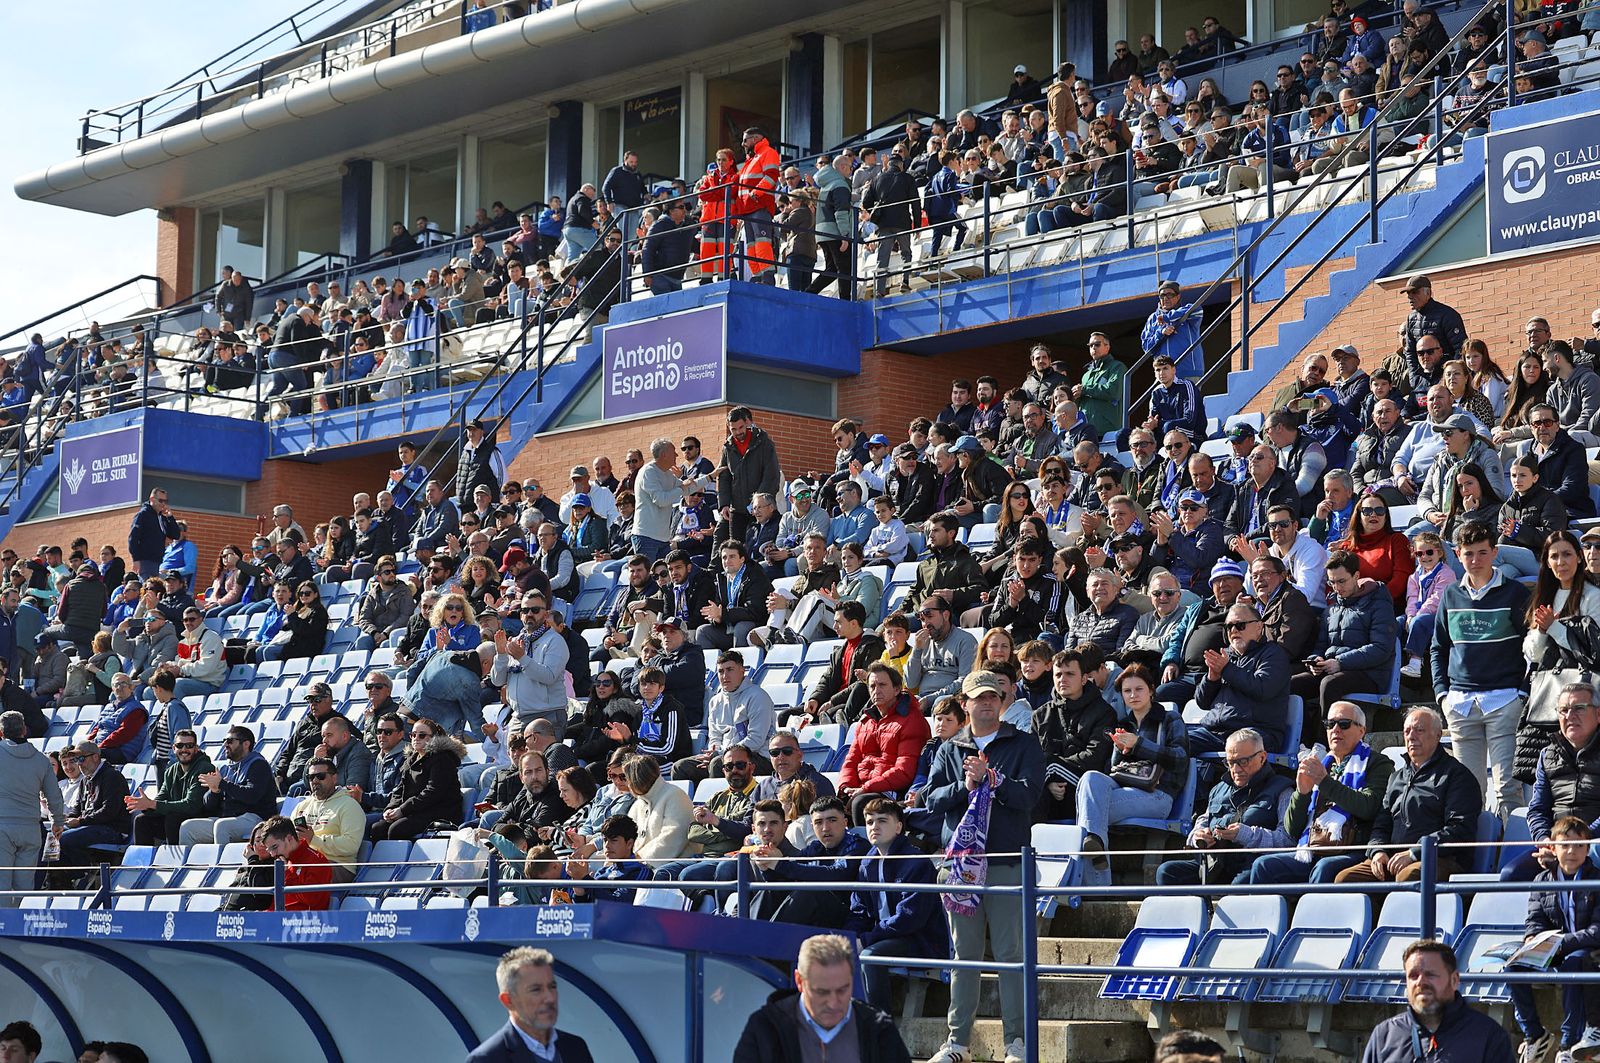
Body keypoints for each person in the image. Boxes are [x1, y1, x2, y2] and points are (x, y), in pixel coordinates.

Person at [922, 672, 1044, 1063]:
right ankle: (957, 1043)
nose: (987, 702)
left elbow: (1029, 797)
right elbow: (933, 799)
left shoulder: (1024, 743)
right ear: (965, 702)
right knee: (964, 955)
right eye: (979, 697)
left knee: (1011, 954)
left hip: (1006, 862)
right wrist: (967, 787)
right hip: (959, 865)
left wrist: (994, 781)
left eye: (994, 695)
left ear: (1004, 698)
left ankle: (1017, 1043)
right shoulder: (948, 748)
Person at [1432, 523, 1531, 818]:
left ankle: (1509, 856)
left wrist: (1522, 693)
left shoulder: (1515, 593)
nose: (1475, 560)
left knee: (1507, 789)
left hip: (1504, 701)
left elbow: (1534, 647)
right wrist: (1441, 695)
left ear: (1495, 553)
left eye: (1482, 553)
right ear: (1458, 555)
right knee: (1469, 790)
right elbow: (1438, 647)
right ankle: (1475, 858)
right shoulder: (1450, 595)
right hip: (1460, 705)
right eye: (1469, 554)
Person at [1248, 701, 1392, 885]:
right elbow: (1292, 829)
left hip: (1351, 847)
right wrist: (1302, 793)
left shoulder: (1378, 763)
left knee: (1324, 868)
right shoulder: (1323, 763)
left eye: (1344, 724)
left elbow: (1369, 807)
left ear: (1362, 731)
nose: (1336, 729)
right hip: (1312, 847)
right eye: (1330, 724)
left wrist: (1324, 781)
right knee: (1263, 866)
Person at [1335, 707, 1482, 884]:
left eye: (1419, 730)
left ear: (1438, 735)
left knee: (1407, 877)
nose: (1411, 736)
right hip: (1393, 859)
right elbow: (1382, 823)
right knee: (1345, 879)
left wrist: (1415, 852)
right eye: (1407, 731)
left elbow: (1460, 829)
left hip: (1441, 858)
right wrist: (1378, 851)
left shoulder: (1457, 776)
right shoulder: (1396, 778)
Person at [733, 932, 913, 1063]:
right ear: (799, 981)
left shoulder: (879, 1030)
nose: (834, 1003)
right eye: (822, 992)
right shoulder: (764, 1029)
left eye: (843, 990)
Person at [1508, 815, 1600, 1061]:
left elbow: (1597, 931)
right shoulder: (1542, 880)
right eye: (1565, 845)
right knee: (1512, 967)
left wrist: (1563, 943)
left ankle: (1568, 1044)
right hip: (1553, 948)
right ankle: (1534, 1035)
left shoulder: (1596, 878)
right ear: (1553, 848)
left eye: (1579, 845)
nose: (1572, 851)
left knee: (1574, 963)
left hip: (1585, 949)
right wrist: (1531, 938)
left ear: (1588, 848)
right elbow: (1535, 919)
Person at [1155, 728, 1292, 885]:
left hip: (1252, 863)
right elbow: (1204, 820)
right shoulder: (1218, 789)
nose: (1236, 770)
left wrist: (1246, 834)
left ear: (1262, 757)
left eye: (1243, 762)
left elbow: (1287, 840)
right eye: (1231, 763)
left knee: (1241, 884)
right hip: (1215, 864)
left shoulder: (1283, 790)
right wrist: (1197, 836)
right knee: (1167, 872)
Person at [1359, 940, 1513, 1063]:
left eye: (1430, 974)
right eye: (1413, 975)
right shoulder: (1385, 1035)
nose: (1421, 982)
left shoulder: (1488, 1036)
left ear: (1454, 980)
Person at [1188, 603, 1291, 756]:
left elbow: (1263, 688)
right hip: (1215, 732)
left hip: (1256, 733)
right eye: (1229, 627)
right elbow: (1202, 702)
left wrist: (1227, 669)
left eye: (1240, 625)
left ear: (1259, 627)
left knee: (1241, 743)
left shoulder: (1273, 654)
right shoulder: (1225, 656)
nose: (1233, 630)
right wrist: (1212, 679)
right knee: (1173, 740)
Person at [465, 946, 596, 1063]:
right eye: (536, 990)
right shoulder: (487, 1059)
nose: (550, 998)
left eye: (552, 986)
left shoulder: (575, 1047)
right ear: (508, 1000)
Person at [838, 663, 929, 822]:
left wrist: (865, 789)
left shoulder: (912, 720)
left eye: (882, 685)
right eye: (872, 686)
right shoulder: (865, 721)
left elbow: (904, 772)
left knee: (861, 804)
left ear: (896, 689)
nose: (876, 690)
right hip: (865, 788)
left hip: (894, 791)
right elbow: (851, 760)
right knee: (831, 805)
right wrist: (845, 787)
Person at [369, 716, 467, 841]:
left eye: (422, 735)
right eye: (413, 735)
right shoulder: (411, 759)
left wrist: (403, 810)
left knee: (397, 829)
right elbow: (400, 789)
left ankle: (402, 860)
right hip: (416, 810)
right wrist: (391, 809)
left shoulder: (442, 759)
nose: (416, 738)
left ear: (433, 738)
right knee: (377, 828)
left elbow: (432, 792)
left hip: (439, 811)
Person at [0, 710, 62, 906]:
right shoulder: (41, 759)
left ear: (1, 732)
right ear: (24, 730)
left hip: (2, 827)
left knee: (1, 886)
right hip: (31, 829)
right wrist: (58, 821)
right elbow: (54, 796)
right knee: (24, 887)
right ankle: (22, 930)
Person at [57, 741, 131, 872]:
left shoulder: (112, 776)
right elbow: (78, 808)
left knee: (62, 839)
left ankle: (81, 874)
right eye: (76, 759)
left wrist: (80, 821)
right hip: (92, 826)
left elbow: (109, 812)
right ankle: (62, 879)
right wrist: (68, 818)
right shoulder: (86, 779)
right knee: (52, 836)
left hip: (113, 829)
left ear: (95, 757)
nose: (79, 763)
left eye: (81, 758)